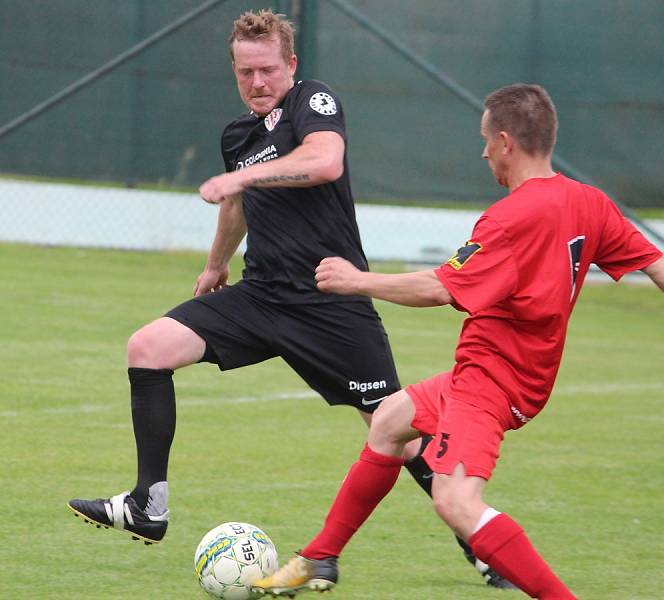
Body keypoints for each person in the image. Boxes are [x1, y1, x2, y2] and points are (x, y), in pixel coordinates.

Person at [250, 83, 664, 598]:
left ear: (508, 142)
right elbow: (656, 262)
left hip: (492, 382)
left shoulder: (511, 219)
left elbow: (438, 288)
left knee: (456, 501)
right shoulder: (588, 202)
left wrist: (358, 280)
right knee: (388, 423)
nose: (483, 151)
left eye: (486, 140)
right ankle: (321, 557)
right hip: (504, 373)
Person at [66, 9, 514, 589]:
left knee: (397, 433)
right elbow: (236, 207)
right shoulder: (237, 135)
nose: (258, 82)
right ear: (234, 70)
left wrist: (243, 179)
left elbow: (325, 162)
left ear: (291, 65)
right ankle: (149, 503)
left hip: (332, 300)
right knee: (148, 347)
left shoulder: (312, 102)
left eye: (268, 70)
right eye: (246, 72)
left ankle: (479, 543)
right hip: (261, 297)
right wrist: (215, 264)